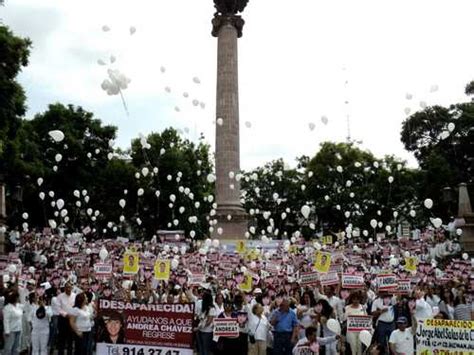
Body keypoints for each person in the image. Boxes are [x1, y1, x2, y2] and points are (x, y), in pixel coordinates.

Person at [345, 291, 367, 355]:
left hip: (361, 331)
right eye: (354, 299)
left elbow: (366, 318)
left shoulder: (363, 307)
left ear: (360, 299)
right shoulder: (347, 307)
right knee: (353, 346)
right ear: (351, 299)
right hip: (351, 331)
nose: (355, 301)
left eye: (357, 299)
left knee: (359, 347)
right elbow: (344, 319)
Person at [57, 282, 77, 355]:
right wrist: (65, 315)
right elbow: (58, 308)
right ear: (64, 288)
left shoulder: (75, 296)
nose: (68, 289)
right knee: (61, 339)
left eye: (69, 287)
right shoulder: (60, 296)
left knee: (70, 340)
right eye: (67, 287)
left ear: (72, 288)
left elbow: (76, 307)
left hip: (72, 320)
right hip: (63, 320)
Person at [3, 290, 23, 355]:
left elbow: (26, 307)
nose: (19, 298)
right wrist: (7, 331)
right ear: (15, 298)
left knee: (16, 348)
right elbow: (6, 320)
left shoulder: (19, 306)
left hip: (19, 329)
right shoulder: (7, 307)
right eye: (18, 297)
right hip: (11, 331)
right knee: (8, 348)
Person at [196, 291, 217, 355]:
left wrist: (198, 328)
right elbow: (201, 318)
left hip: (207, 332)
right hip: (200, 330)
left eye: (203, 298)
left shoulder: (212, 309)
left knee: (206, 349)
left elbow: (208, 322)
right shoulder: (204, 308)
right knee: (201, 348)